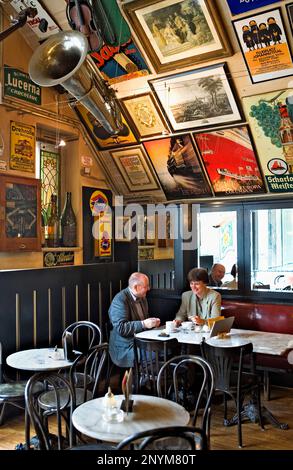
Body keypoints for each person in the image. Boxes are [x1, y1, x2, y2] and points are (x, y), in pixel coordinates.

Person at [108, 272, 160, 367]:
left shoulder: (142, 298)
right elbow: (121, 328)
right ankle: (142, 380)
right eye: (146, 286)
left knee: (166, 350)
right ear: (136, 287)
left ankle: (154, 379)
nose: (149, 289)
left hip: (141, 342)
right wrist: (144, 324)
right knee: (157, 354)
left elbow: (143, 321)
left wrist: (152, 323)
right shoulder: (120, 300)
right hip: (125, 348)